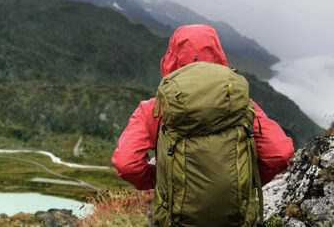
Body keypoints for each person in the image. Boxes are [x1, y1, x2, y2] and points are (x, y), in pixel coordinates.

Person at [111, 24, 294, 225]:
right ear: (218, 54)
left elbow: (126, 164)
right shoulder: (243, 105)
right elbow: (279, 153)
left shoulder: (153, 109)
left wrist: (163, 180)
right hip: (236, 219)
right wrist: (241, 184)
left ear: (172, 57)